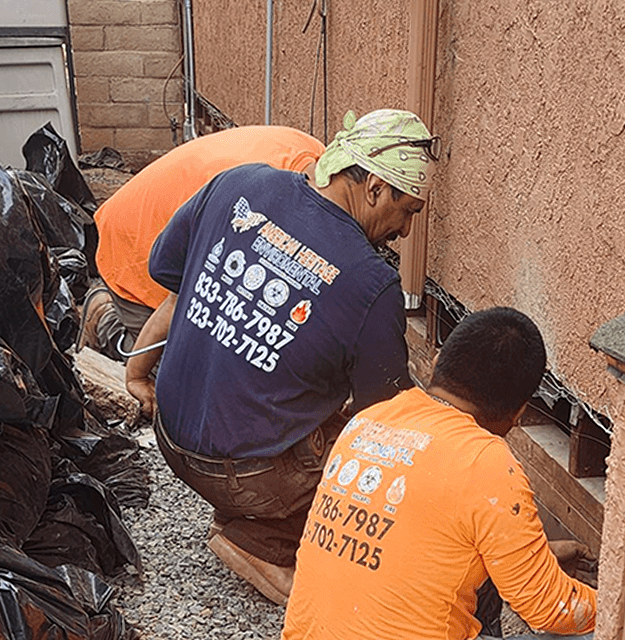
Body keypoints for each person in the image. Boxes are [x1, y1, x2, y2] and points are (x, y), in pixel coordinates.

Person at [281, 306, 598, 640]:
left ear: (442, 368)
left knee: (489, 582)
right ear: (519, 412)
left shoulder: (372, 420)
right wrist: (617, 602)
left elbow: (423, 534)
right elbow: (550, 610)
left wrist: (535, 553)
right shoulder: (486, 463)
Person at [125, 109, 438, 604]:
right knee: (392, 475)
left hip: (172, 440)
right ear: (375, 188)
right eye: (408, 211)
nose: (404, 231)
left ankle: (252, 508)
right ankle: (263, 544)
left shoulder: (240, 185)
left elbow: (177, 288)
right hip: (244, 476)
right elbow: (385, 422)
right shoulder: (370, 281)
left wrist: (137, 371)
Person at [82, 125, 325, 359]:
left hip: (169, 217)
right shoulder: (265, 200)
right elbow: (197, 296)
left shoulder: (316, 157)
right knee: (179, 375)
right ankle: (103, 318)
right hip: (135, 240)